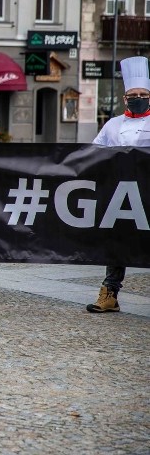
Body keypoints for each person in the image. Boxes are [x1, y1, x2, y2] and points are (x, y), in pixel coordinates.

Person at [86, 55, 150, 313]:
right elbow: (93, 153)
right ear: (124, 98)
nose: (137, 97)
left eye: (142, 93)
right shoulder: (112, 124)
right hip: (120, 194)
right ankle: (109, 292)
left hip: (148, 192)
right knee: (117, 242)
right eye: (132, 94)